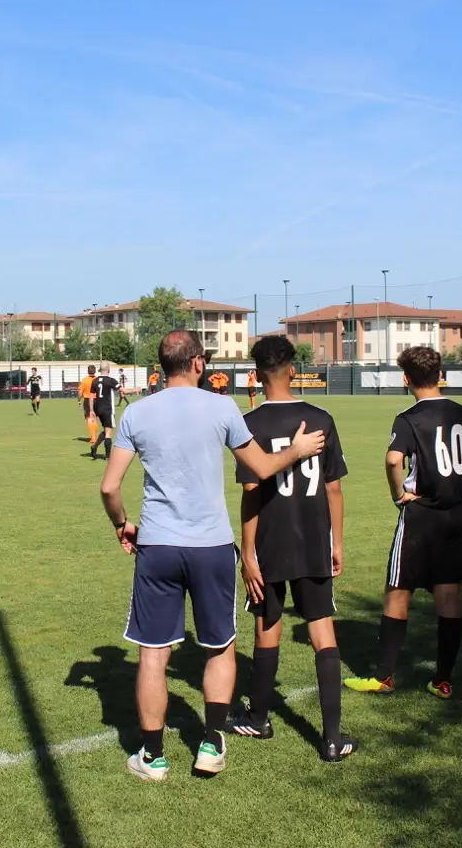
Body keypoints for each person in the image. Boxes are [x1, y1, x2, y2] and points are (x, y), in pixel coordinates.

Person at [99, 330, 326, 782]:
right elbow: (261, 467)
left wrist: (122, 523)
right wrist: (298, 450)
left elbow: (109, 487)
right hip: (212, 547)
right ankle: (211, 744)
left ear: (162, 366)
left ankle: (152, 756)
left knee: (153, 654)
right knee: (219, 647)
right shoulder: (223, 408)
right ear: (199, 363)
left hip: (158, 546)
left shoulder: (137, 412)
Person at [344, 346, 462, 700]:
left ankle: (383, 677)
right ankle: (443, 680)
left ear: (406, 379)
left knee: (397, 591)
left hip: (419, 515)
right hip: (456, 515)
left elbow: (393, 460)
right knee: (449, 595)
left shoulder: (408, 418)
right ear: (440, 375)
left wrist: (398, 495)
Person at [227, 336, 355, 762]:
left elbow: (251, 492)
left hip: (269, 543)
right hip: (314, 540)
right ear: (294, 370)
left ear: (256, 375)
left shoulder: (249, 424)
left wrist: (248, 554)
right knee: (321, 629)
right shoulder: (320, 418)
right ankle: (332, 738)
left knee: (268, 626)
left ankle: (259, 717)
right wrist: (337, 542)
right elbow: (333, 489)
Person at [89, 364, 120, 460]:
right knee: (108, 433)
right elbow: (123, 390)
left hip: (98, 409)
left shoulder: (95, 381)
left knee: (106, 430)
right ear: (109, 370)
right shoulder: (111, 380)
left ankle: (94, 447)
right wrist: (135, 389)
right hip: (108, 409)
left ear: (100, 370)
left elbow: (91, 396)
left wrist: (91, 410)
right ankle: (108, 456)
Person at [79, 365, 97, 444]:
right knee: (94, 418)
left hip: (88, 399)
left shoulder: (85, 380)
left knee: (89, 418)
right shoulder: (97, 379)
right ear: (95, 371)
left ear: (88, 371)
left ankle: (93, 437)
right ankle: (94, 435)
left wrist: (79, 399)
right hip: (97, 400)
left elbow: (80, 391)